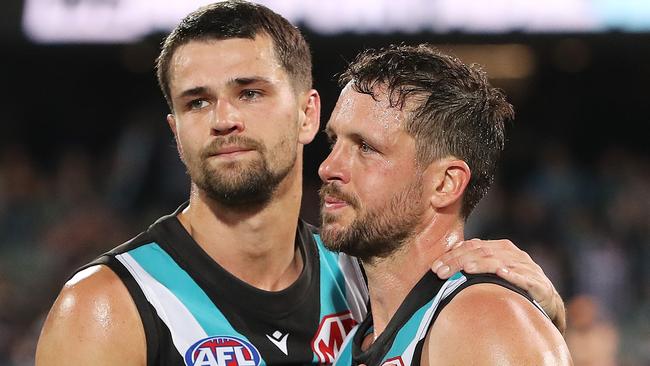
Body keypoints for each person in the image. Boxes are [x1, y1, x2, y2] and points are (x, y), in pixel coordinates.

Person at [35, 2, 566, 365]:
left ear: (307, 115)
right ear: (174, 130)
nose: (223, 119)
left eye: (250, 92)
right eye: (197, 101)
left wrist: (526, 315)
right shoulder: (108, 307)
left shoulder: (363, 277)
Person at [321, 44, 572, 365]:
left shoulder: (484, 322)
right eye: (334, 141)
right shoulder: (356, 337)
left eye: (366, 147)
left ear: (445, 183)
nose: (328, 167)